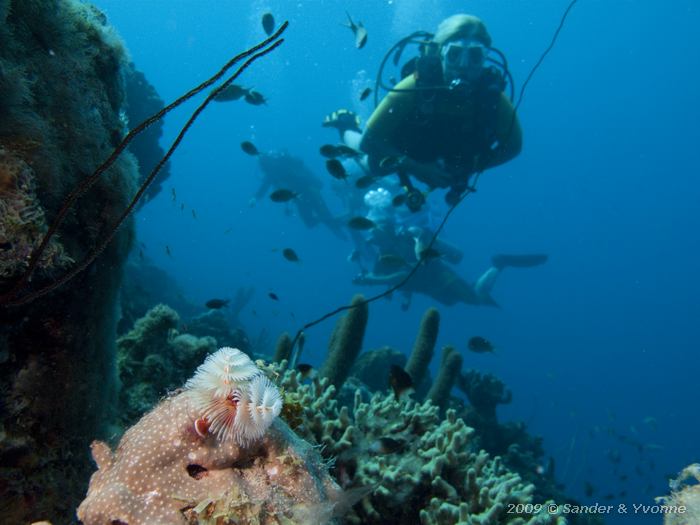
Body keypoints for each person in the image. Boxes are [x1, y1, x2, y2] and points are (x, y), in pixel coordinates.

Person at [324, 14, 521, 207]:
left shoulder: (492, 98)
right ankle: (347, 125)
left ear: (485, 58)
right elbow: (369, 141)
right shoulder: (414, 86)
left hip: (452, 152)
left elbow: (513, 147)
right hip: (405, 146)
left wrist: (470, 166)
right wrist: (416, 168)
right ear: (441, 53)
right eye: (454, 54)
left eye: (475, 56)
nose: (463, 65)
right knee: (373, 166)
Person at [351, 186, 546, 309]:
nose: (371, 237)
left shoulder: (405, 240)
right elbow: (400, 280)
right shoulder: (384, 255)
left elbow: (402, 275)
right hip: (429, 287)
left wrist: (372, 281)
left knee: (476, 299)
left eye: (374, 232)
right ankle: (496, 267)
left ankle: (499, 263)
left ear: (386, 229)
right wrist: (404, 297)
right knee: (463, 300)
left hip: (440, 278)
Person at [254, 150, 346, 240]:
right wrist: (256, 197)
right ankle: (341, 225)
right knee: (311, 222)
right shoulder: (273, 172)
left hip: (310, 191)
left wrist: (256, 197)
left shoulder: (278, 168)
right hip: (299, 197)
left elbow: (267, 184)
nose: (263, 168)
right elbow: (266, 185)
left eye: (263, 165)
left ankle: (346, 224)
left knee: (322, 216)